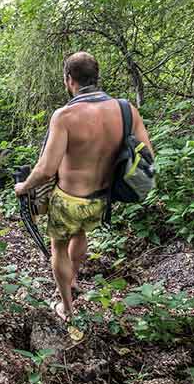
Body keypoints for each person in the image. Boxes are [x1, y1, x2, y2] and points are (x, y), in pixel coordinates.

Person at [13, 52, 153, 324]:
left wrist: (24, 186)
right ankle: (73, 279)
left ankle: (66, 306)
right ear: (96, 77)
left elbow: (46, 168)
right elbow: (146, 155)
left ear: (69, 80)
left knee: (59, 248)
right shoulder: (126, 110)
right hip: (102, 198)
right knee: (80, 234)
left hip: (68, 200)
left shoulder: (65, 116)